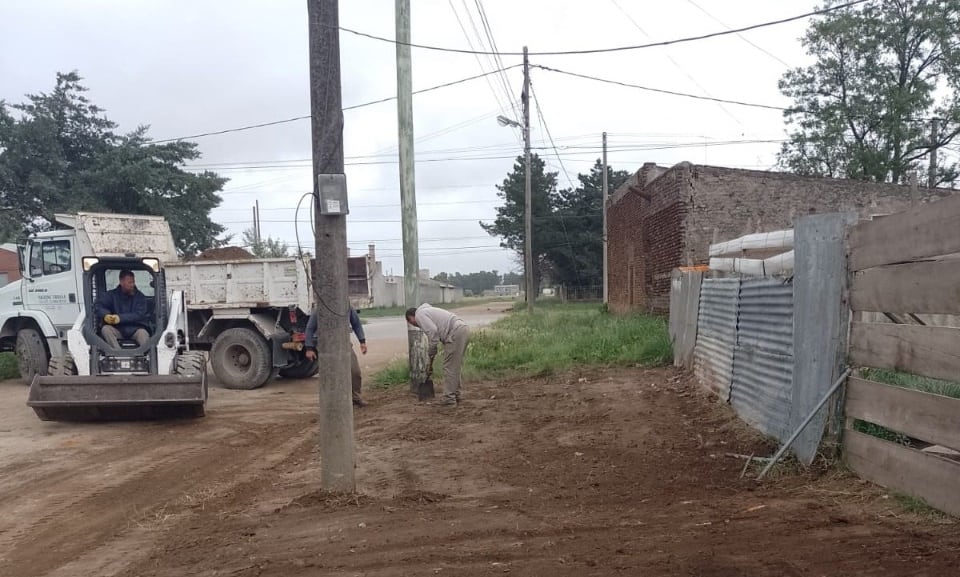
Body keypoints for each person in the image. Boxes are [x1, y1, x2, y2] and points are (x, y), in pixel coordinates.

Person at [405, 304, 470, 407]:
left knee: (449, 367)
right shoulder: (427, 311)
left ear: (410, 317)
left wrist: (431, 351)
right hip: (462, 329)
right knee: (455, 366)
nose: (414, 324)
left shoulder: (419, 315)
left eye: (411, 322)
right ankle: (455, 394)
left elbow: (433, 333)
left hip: (455, 332)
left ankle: (449, 398)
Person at [305, 306, 367, 407]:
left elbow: (356, 324)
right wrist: (309, 348)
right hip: (326, 347)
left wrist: (362, 341)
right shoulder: (320, 309)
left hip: (344, 344)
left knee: (355, 372)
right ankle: (332, 402)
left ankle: (355, 398)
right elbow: (310, 328)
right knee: (331, 375)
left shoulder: (347, 307)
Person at [94, 269, 150, 349]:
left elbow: (139, 314)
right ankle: (117, 353)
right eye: (129, 282)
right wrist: (106, 315)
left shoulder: (140, 297)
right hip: (117, 329)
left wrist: (119, 318)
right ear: (121, 282)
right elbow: (99, 306)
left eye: (133, 282)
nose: (132, 285)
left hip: (136, 329)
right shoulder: (111, 295)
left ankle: (145, 355)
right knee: (105, 329)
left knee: (143, 334)